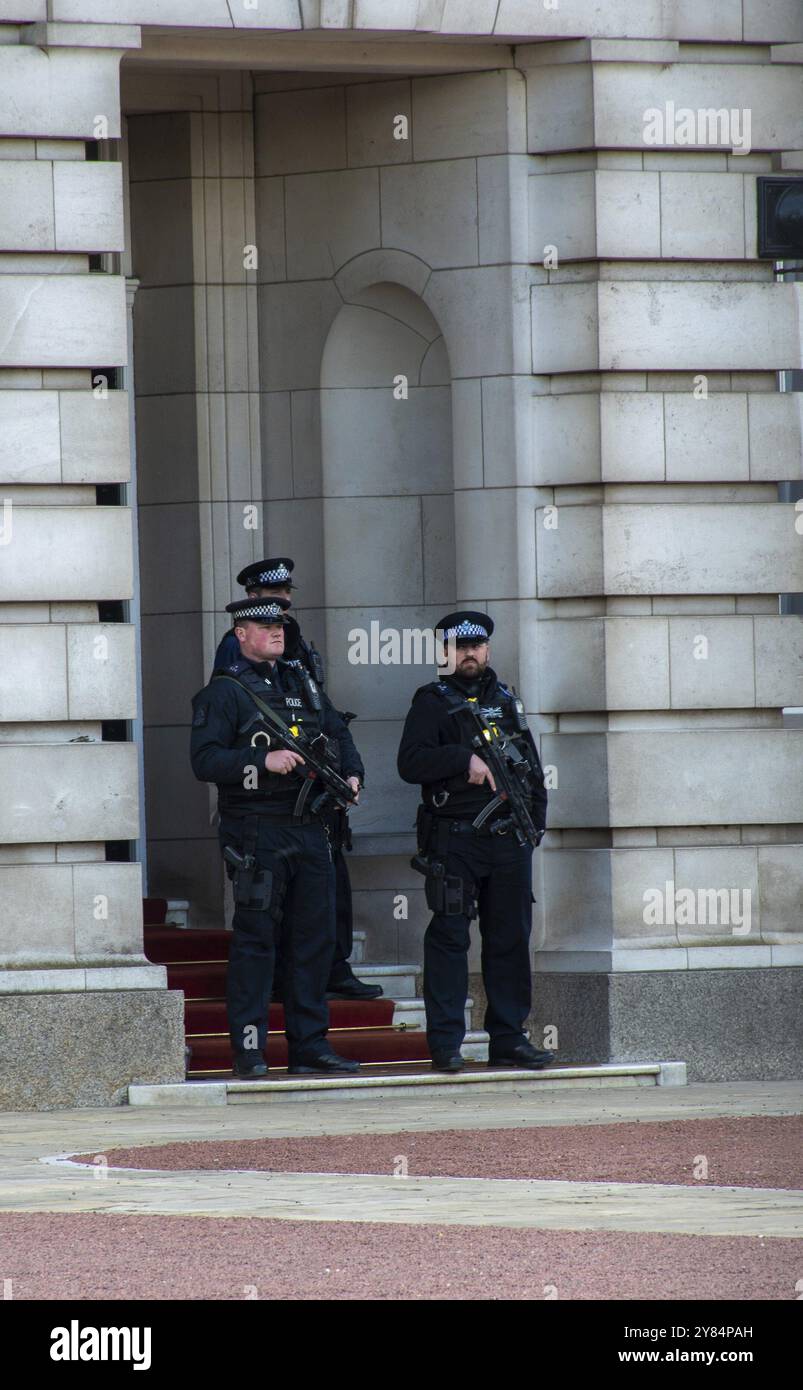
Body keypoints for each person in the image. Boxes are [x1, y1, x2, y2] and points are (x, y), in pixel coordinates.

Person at [190, 597, 364, 1078]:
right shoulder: (223, 693)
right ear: (240, 633)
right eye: (265, 626)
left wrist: (352, 774)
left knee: (312, 942)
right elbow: (203, 760)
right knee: (257, 943)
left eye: (280, 625)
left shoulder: (300, 681)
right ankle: (249, 1050)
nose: (276, 632)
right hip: (258, 831)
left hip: (309, 828)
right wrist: (259, 761)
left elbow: (337, 731)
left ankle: (310, 1046)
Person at [212, 557, 381, 1002]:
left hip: (314, 798)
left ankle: (331, 969)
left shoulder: (295, 645)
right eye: (272, 599)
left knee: (328, 892)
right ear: (251, 602)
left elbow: (325, 714)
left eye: (286, 596)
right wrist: (263, 760)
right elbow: (231, 728)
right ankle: (280, 989)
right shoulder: (239, 649)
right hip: (269, 808)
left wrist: (351, 771)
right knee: (271, 909)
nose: (281, 608)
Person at [397, 611, 553, 1074]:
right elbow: (410, 763)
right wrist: (461, 757)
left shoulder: (506, 700)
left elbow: (530, 763)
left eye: (477, 645)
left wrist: (536, 822)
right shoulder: (431, 701)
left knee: (509, 939)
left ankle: (508, 1037)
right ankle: (446, 1043)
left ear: (487, 649)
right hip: (457, 839)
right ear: (445, 653)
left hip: (508, 840)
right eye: (460, 646)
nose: (470, 653)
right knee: (448, 939)